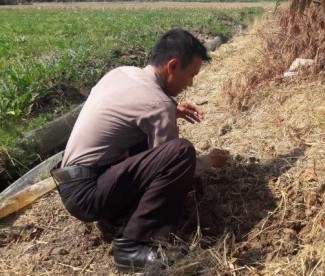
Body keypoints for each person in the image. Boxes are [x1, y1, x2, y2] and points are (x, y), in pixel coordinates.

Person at [50, 28, 230, 272]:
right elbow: (173, 162)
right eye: (191, 76)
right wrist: (210, 161)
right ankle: (133, 246)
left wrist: (171, 110)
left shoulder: (123, 72)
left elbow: (126, 109)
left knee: (150, 145)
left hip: (73, 182)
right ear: (173, 66)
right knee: (180, 152)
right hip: (88, 194)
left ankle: (118, 212)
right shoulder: (157, 104)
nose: (191, 83)